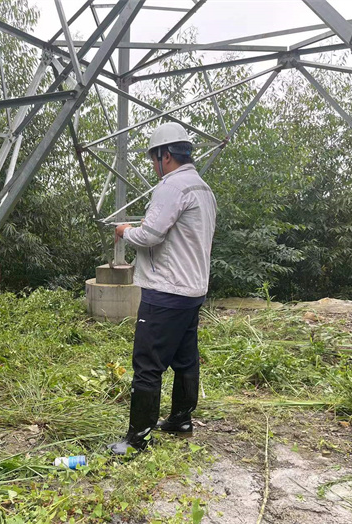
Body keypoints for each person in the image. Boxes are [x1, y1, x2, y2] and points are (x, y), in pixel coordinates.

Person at [108, 122, 217, 455]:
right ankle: (181, 420)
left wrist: (126, 231)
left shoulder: (172, 187)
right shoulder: (202, 189)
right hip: (192, 290)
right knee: (185, 360)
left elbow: (151, 235)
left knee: (147, 364)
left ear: (165, 155)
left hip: (166, 292)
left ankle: (137, 438)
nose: (154, 166)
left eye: (154, 158)